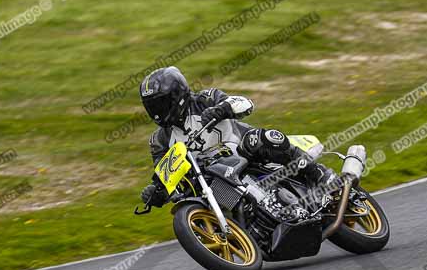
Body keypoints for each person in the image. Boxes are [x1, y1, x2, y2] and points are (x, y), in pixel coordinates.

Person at [139, 66, 335, 207]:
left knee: (259, 138)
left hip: (244, 154)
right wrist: (157, 192)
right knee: (192, 198)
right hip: (213, 177)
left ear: (177, 95)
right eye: (152, 106)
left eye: (161, 104)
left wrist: (221, 109)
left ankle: (318, 173)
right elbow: (165, 174)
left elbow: (245, 103)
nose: (157, 112)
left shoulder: (204, 99)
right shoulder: (159, 141)